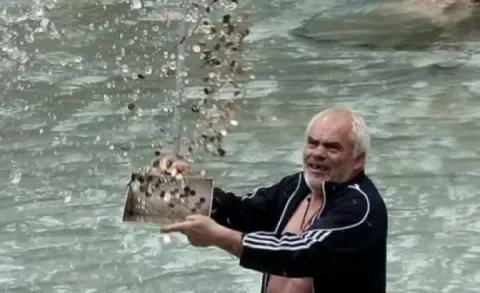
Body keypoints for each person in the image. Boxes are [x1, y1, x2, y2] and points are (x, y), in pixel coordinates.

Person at [161, 108, 388, 293]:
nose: (317, 153)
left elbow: (300, 254)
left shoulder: (362, 207)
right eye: (312, 143)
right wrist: (183, 185)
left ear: (358, 160)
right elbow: (241, 212)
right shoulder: (294, 187)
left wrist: (219, 237)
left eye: (332, 147)